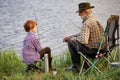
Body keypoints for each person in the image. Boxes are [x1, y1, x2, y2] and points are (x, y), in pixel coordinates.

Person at [63, 2, 105, 71]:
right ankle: (85, 65)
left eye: (80, 12)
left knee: (70, 42)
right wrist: (72, 36)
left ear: (86, 12)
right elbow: (83, 34)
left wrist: (73, 39)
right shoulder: (94, 19)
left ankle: (76, 67)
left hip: (93, 51)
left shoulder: (87, 23)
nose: (79, 15)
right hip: (101, 49)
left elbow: (84, 40)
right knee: (72, 39)